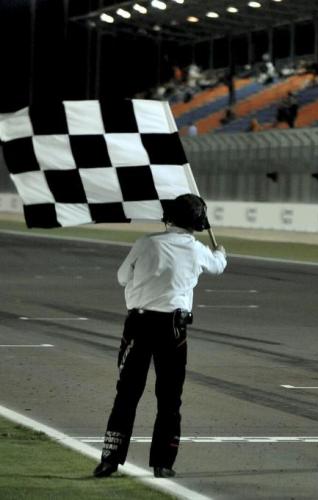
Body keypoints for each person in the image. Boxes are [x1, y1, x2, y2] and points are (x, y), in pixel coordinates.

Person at [93, 194, 227, 479]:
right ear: (199, 222)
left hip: (138, 325)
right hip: (173, 329)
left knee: (126, 394)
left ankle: (109, 459)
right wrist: (221, 253)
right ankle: (162, 463)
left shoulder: (145, 243)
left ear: (169, 216)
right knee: (169, 398)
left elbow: (121, 277)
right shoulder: (197, 250)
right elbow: (218, 266)